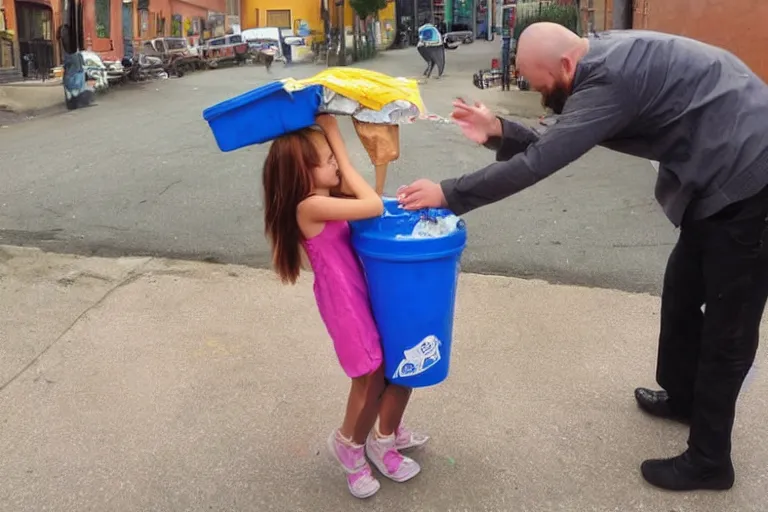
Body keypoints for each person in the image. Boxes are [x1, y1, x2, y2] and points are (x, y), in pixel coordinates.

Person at [397, 22, 768, 492]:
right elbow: (565, 134)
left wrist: (448, 193)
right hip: (716, 171)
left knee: (727, 330)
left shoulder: (608, 81)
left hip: (751, 179)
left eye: (539, 84)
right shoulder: (596, 57)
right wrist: (499, 130)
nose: (538, 94)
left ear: (567, 66)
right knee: (681, 292)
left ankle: (711, 461)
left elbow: (543, 160)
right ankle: (685, 400)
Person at [262, 114, 429, 499]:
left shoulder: (325, 199)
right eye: (328, 159)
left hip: (361, 294)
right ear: (304, 172)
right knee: (367, 376)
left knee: (386, 368)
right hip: (345, 304)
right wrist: (336, 136)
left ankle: (384, 431)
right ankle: (349, 447)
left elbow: (371, 199)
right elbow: (370, 206)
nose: (336, 163)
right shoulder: (309, 206)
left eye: (334, 156)